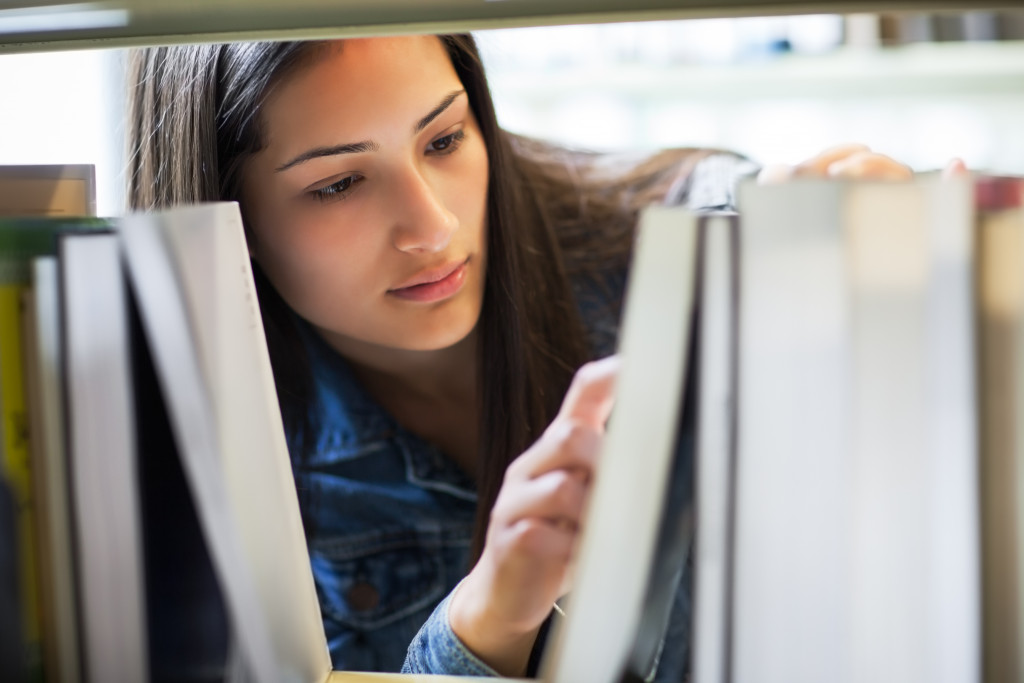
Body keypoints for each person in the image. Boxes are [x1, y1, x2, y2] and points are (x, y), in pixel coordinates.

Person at [124, 33, 926, 680]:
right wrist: (488, 619)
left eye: (444, 138)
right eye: (339, 184)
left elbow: (724, 199)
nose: (431, 227)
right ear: (223, 211)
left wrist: (835, 214)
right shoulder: (191, 439)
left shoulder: (651, 254)